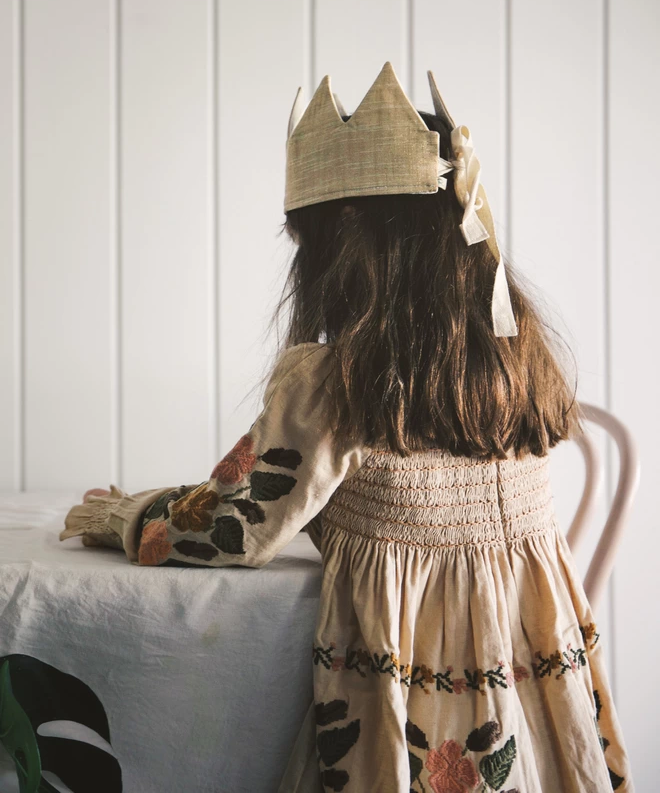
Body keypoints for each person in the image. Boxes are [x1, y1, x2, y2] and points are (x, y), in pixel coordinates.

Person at [60, 62, 634, 792]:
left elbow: (242, 531)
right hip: (538, 699)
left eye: (310, 243)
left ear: (350, 243)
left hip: (410, 689)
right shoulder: (518, 359)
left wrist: (129, 516)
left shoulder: (337, 383)